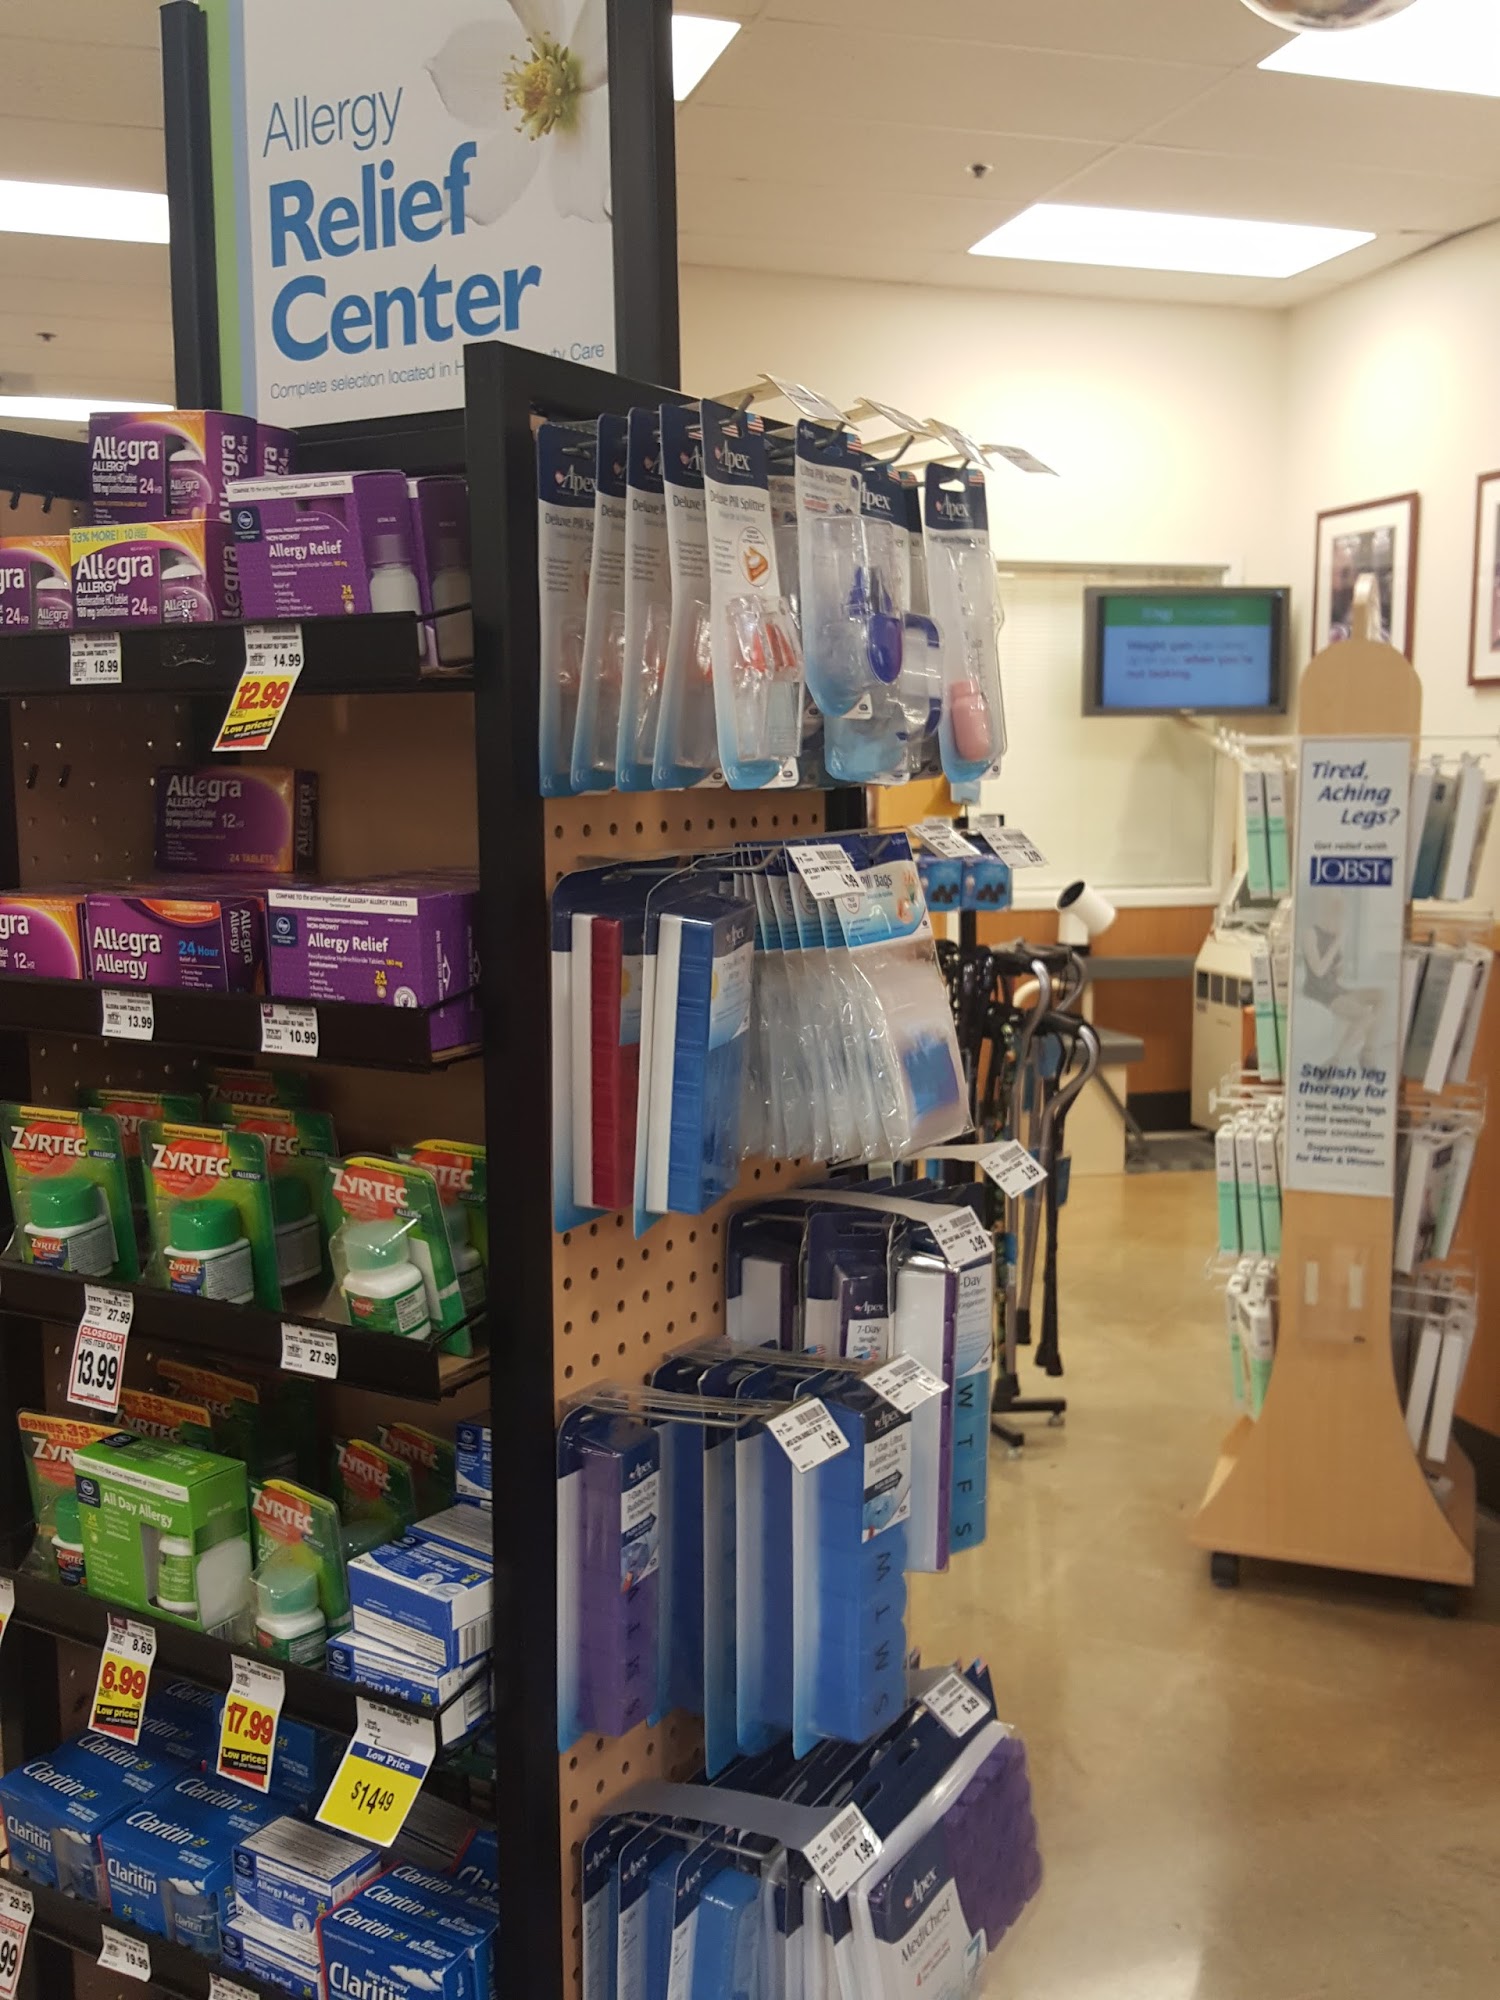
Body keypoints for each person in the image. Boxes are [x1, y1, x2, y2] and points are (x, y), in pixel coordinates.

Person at [1299, 884, 1382, 1067]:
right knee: (1365, 1016)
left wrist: (1340, 966)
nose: (1337, 916)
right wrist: (1338, 941)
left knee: (1380, 995)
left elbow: (1334, 971)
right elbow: (1319, 971)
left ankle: (1367, 1052)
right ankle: (1334, 1061)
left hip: (1334, 988)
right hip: (1319, 992)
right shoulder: (1310, 933)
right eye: (1334, 909)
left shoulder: (1333, 933)